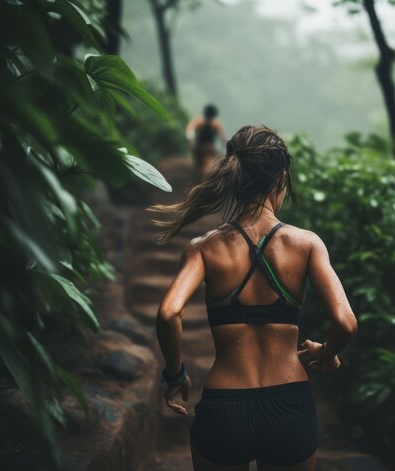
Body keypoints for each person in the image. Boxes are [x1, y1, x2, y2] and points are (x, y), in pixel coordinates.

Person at [151, 125, 358, 471]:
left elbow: (169, 313)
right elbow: (345, 322)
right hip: (289, 405)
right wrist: (327, 352)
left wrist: (175, 375)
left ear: (235, 177)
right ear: (281, 177)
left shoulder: (204, 248)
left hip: (225, 408)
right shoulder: (307, 244)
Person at [186, 104, 227, 182]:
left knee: (203, 162)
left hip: (205, 147)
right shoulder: (206, 122)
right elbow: (222, 137)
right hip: (204, 147)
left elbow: (189, 131)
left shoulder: (206, 122)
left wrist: (191, 141)